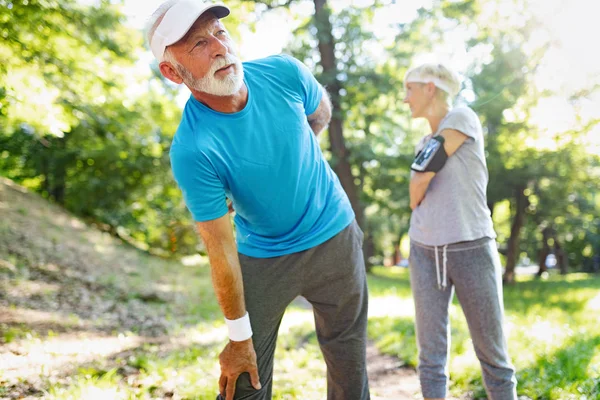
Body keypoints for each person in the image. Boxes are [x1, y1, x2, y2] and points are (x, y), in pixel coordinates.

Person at [146, 1, 370, 399]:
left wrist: (293, 157)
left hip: (335, 233)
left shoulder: (283, 72)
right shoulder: (193, 148)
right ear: (171, 71)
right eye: (198, 44)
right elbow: (220, 249)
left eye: (219, 32)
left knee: (349, 366)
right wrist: (237, 337)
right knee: (244, 382)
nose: (218, 47)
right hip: (264, 255)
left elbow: (319, 113)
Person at [403, 63, 517, 400]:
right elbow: (414, 194)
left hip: (471, 248)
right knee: (430, 357)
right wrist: (421, 175)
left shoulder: (463, 118)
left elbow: (421, 179)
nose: (405, 99)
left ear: (430, 88)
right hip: (424, 250)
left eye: (410, 89)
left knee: (492, 353)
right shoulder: (424, 141)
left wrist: (421, 176)